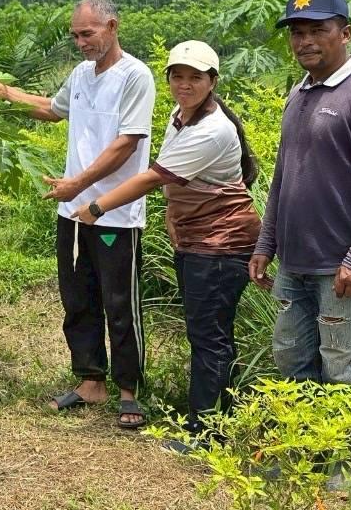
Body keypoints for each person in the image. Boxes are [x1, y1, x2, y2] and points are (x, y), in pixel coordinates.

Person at [0, 0, 155, 429]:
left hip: (113, 214)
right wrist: (6, 94)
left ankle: (129, 390)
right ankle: (91, 380)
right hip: (72, 212)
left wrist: (79, 183)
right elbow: (53, 111)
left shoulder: (135, 76)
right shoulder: (79, 75)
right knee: (78, 297)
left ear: (111, 26)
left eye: (87, 34)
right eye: (75, 35)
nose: (79, 42)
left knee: (119, 304)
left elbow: (126, 143)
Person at [74, 40, 260, 443]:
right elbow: (177, 182)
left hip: (220, 244)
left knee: (210, 337)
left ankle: (207, 432)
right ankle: (214, 421)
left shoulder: (211, 129)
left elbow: (152, 177)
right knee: (207, 333)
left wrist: (96, 207)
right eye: (178, 75)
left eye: (196, 77)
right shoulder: (181, 114)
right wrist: (173, 217)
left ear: (213, 81)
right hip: (199, 240)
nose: (184, 84)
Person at [248, 0, 351, 386]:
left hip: (341, 264)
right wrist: (266, 245)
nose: (305, 42)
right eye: (297, 33)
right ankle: (305, 450)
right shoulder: (298, 93)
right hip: (294, 261)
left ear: (346, 33)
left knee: (343, 367)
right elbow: (284, 176)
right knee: (290, 361)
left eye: (318, 30)